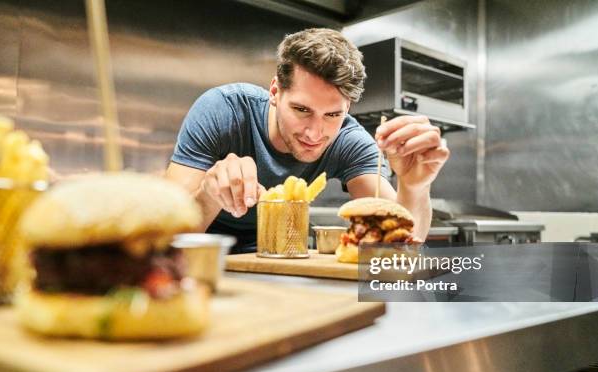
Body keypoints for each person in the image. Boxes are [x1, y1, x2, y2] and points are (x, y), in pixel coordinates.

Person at [165, 28, 449, 253]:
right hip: (202, 259)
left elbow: (399, 245)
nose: (315, 133)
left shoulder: (351, 140)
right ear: (275, 91)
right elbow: (161, 236)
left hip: (288, 261)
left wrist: (414, 187)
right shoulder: (223, 110)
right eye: (301, 110)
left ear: (347, 107)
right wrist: (209, 194)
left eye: (332, 114)